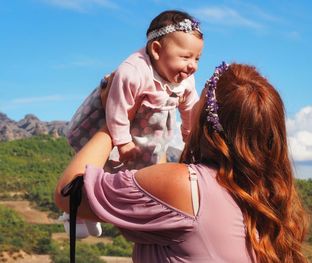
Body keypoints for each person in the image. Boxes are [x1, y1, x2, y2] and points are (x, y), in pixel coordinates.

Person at [55, 62, 309, 263]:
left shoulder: (184, 186)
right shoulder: (262, 199)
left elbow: (68, 193)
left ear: (208, 119)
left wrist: (115, 116)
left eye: (199, 100)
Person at [60, 9, 204, 238]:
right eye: (186, 57)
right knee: (100, 164)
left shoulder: (186, 80)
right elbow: (117, 108)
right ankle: (76, 214)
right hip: (119, 123)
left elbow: (189, 108)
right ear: (156, 50)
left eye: (197, 59)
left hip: (150, 134)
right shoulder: (133, 71)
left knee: (138, 177)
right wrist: (123, 141)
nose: (193, 66)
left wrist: (189, 133)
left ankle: (92, 212)